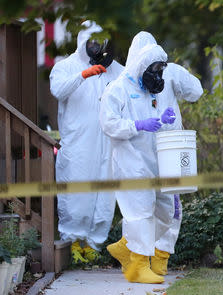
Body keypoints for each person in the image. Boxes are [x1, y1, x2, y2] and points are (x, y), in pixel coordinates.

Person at [102, 31, 202, 282]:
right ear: (140, 65)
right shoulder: (118, 88)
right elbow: (109, 123)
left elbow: (163, 111)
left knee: (166, 212)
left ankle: (128, 246)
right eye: (155, 71)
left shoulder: (151, 90)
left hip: (158, 162)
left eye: (161, 71)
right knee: (141, 211)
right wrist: (138, 125)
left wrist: (162, 120)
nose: (158, 77)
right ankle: (137, 266)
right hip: (131, 161)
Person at [49, 20, 124, 263]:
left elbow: (134, 80)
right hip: (79, 145)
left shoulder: (111, 69)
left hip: (107, 144)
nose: (95, 47)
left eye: (99, 42)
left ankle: (93, 245)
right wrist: (83, 75)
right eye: (91, 41)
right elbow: (58, 90)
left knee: (104, 196)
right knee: (76, 195)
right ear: (82, 41)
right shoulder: (66, 67)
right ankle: (72, 243)